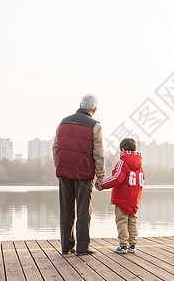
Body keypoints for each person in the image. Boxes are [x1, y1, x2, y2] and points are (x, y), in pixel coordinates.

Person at [52, 94, 105, 256]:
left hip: (64, 172)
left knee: (66, 210)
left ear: (79, 105)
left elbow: (55, 147)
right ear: (94, 109)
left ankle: (66, 247)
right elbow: (99, 154)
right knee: (83, 211)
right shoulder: (95, 126)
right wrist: (100, 175)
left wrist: (58, 165)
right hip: (84, 174)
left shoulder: (63, 122)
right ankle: (82, 247)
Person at [97, 138, 144, 254]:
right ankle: (132, 245)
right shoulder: (139, 165)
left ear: (122, 149)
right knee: (132, 221)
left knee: (122, 221)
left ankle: (123, 246)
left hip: (122, 199)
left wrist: (102, 184)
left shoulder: (122, 163)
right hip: (134, 198)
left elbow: (116, 179)